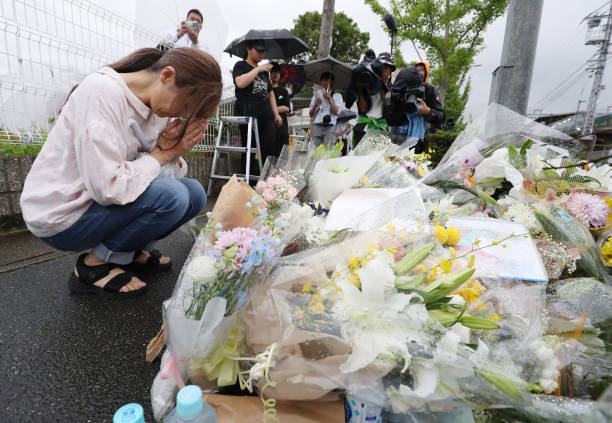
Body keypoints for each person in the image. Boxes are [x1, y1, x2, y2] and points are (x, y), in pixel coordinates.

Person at [20, 47, 222, 298]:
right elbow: (108, 187)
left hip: (96, 203)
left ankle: (129, 252)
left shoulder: (155, 106)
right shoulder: (103, 92)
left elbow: (156, 171)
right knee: (175, 196)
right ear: (167, 76)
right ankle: (93, 266)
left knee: (193, 194)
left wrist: (174, 151)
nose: (180, 115)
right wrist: (162, 154)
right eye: (186, 106)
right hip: (62, 215)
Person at [232, 40, 283, 174]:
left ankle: (265, 180)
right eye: (258, 50)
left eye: (263, 51)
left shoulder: (265, 73)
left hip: (266, 114)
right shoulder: (241, 65)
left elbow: (270, 93)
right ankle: (247, 181)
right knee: (249, 147)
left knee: (268, 148)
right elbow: (240, 83)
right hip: (248, 111)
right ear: (249, 49)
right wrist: (258, 68)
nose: (262, 53)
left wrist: (276, 114)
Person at [353, 52, 396, 147]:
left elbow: (387, 103)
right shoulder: (366, 84)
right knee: (358, 159)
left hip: (380, 128)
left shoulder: (392, 88)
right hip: (363, 127)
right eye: (381, 66)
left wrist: (380, 84)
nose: (384, 69)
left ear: (390, 70)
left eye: (387, 67)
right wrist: (360, 88)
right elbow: (363, 109)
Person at [308, 72, 343, 147]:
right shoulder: (316, 96)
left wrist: (330, 99)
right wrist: (315, 105)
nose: (323, 82)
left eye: (326, 80)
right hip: (317, 125)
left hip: (330, 127)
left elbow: (337, 112)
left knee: (327, 151)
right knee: (315, 151)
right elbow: (311, 114)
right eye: (322, 80)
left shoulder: (337, 96)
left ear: (331, 82)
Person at [414, 60, 444, 134]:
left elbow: (441, 116)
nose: (418, 72)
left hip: (426, 134)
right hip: (406, 134)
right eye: (416, 70)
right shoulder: (405, 89)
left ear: (426, 73)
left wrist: (428, 111)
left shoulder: (431, 89)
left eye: (421, 70)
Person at [269, 63, 291, 156]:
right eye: (274, 72)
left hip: (282, 128)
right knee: (269, 153)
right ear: (270, 74)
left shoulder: (283, 91)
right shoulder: (266, 89)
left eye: (278, 72)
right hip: (269, 126)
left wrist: (272, 109)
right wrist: (278, 109)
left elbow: (287, 108)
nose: (276, 74)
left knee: (283, 154)